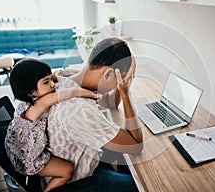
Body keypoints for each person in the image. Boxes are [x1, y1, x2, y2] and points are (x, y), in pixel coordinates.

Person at [46, 37, 143, 191]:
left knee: (123, 162)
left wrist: (122, 82)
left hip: (74, 160)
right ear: (109, 73)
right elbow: (136, 145)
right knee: (141, 185)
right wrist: (125, 93)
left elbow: (110, 102)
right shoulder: (80, 111)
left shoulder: (64, 77)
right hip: (80, 182)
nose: (119, 84)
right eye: (121, 78)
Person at [4, 58, 99, 192]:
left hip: (16, 147)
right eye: (46, 82)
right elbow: (68, 93)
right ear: (31, 92)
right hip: (28, 158)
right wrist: (92, 95)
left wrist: (57, 76)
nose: (52, 85)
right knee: (66, 170)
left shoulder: (33, 97)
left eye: (50, 79)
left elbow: (58, 76)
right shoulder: (37, 105)